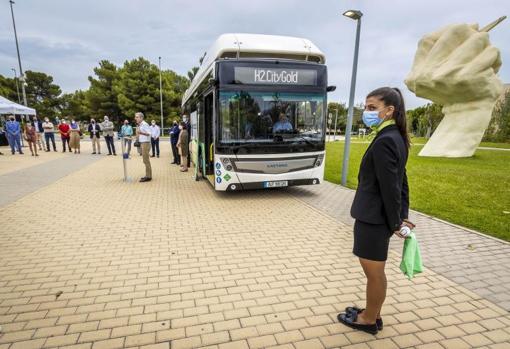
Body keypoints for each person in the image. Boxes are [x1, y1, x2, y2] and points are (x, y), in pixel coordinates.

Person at [338, 87, 414, 335]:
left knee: (374, 273)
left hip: (373, 219)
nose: (366, 112)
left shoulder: (386, 140)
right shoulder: (396, 137)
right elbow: (401, 181)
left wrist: (396, 223)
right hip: (379, 218)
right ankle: (372, 313)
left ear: (389, 110)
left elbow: (390, 187)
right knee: (376, 272)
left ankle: (369, 319)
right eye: (366, 107)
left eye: (372, 108)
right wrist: (402, 215)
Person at [135, 112, 152, 182]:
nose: (135, 118)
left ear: (141, 118)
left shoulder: (145, 124)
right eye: (135, 117)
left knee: (146, 160)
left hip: (145, 143)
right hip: (142, 143)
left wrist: (141, 133)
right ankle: (148, 175)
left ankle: (148, 176)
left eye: (137, 117)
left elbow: (149, 133)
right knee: (145, 160)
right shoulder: (140, 124)